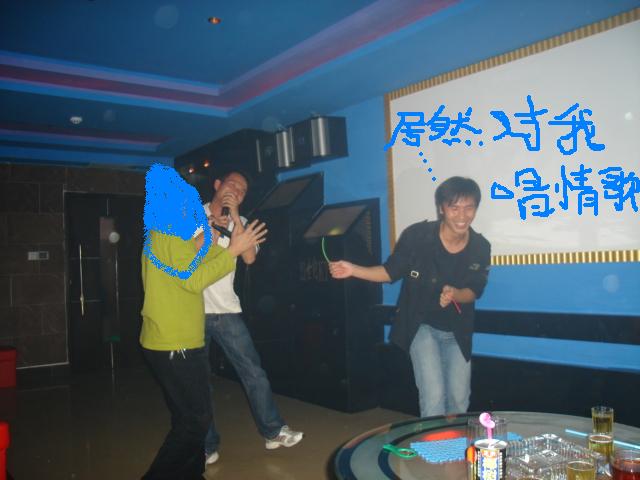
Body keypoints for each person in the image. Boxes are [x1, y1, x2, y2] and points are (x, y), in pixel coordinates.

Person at [140, 165, 268, 479]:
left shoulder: (166, 233)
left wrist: (211, 240)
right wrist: (231, 250)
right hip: (176, 342)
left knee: (191, 418)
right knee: (194, 422)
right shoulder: (168, 234)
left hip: (173, 338)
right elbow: (194, 279)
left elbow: (193, 261)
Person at [329, 176, 491, 418]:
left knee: (459, 399)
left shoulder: (480, 246)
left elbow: (474, 290)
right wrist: (353, 270)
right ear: (442, 208)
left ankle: (454, 440)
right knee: (433, 396)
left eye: (469, 208)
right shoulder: (418, 236)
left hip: (458, 330)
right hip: (420, 324)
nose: (462, 215)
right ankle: (434, 442)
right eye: (454, 207)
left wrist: (455, 294)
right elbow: (389, 272)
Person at [202, 171, 303, 466]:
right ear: (217, 185)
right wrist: (210, 228)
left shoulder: (242, 222)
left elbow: (249, 258)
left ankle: (273, 432)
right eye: (232, 184)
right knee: (198, 381)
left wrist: (235, 217)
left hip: (226, 310)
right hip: (192, 309)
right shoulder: (191, 214)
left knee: (254, 372)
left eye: (243, 190)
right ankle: (206, 445)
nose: (237, 190)